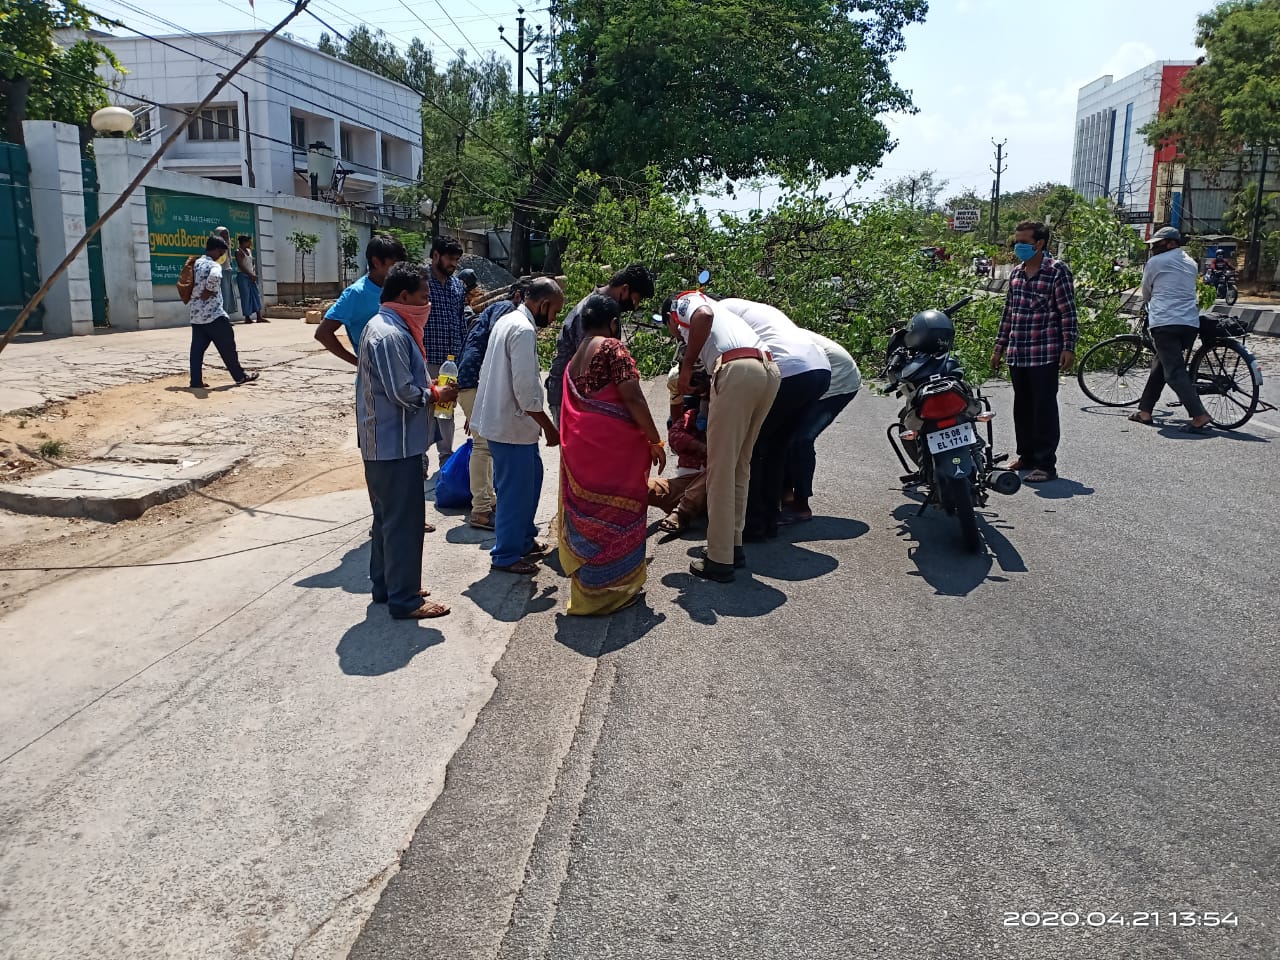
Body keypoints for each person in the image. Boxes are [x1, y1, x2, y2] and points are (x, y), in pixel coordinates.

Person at [355, 262, 457, 619]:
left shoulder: (386, 326)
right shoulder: (391, 334)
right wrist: (436, 392)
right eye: (424, 297)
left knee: (386, 520)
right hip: (393, 445)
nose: (428, 304)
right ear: (404, 296)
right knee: (404, 522)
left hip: (387, 443)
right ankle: (405, 598)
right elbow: (403, 393)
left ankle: (387, 585)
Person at [559, 294, 667, 614]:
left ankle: (589, 595)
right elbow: (631, 396)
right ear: (614, 324)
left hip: (583, 458)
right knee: (616, 519)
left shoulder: (575, 357)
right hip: (612, 458)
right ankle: (610, 597)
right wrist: (655, 440)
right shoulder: (611, 347)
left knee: (593, 524)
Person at [665, 289, 780, 582]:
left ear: (671, 318)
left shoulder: (687, 303)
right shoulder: (724, 318)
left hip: (736, 370)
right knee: (740, 466)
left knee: (719, 470)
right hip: (767, 371)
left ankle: (718, 557)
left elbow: (702, 316)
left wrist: (687, 365)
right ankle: (733, 545)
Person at [471, 277, 565, 575]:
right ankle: (506, 555)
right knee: (514, 493)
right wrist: (549, 427)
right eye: (554, 313)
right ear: (544, 304)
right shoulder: (522, 329)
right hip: (511, 426)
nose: (552, 320)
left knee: (531, 481)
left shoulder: (509, 320)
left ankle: (524, 539)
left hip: (507, 424)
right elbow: (526, 391)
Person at [717, 298, 831, 540]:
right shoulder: (753, 309)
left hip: (790, 370)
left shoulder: (719, 312)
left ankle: (753, 524)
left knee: (753, 446)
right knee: (776, 447)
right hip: (820, 370)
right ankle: (770, 518)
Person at [990, 220, 1078, 484]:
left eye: (1024, 243)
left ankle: (1046, 464)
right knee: (1023, 407)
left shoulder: (1057, 272)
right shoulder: (1017, 274)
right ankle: (1026, 456)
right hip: (1018, 352)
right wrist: (999, 347)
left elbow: (1068, 312)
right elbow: (1009, 313)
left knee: (1044, 408)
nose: (1019, 247)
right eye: (1017, 242)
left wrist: (1068, 347)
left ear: (1039, 243)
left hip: (1045, 352)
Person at [457, 279, 529, 531]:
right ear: (520, 295)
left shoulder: (497, 310)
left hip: (473, 381)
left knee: (485, 443)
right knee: (484, 445)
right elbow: (500, 352)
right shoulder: (508, 310)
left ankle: (488, 502)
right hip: (476, 381)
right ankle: (481, 509)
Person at [546, 264, 655, 426]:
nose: (636, 306)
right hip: (571, 397)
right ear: (624, 289)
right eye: (636, 299)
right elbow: (589, 369)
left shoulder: (606, 309)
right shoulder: (590, 311)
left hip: (584, 397)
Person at [1130, 226, 1213, 433]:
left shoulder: (1156, 262)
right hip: (1189, 324)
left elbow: (1147, 290)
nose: (1154, 248)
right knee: (1162, 364)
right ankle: (1145, 411)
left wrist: (1148, 304)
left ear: (1172, 243)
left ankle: (1199, 415)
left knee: (1174, 371)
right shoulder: (1191, 262)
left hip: (1165, 322)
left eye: (1158, 244)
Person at [781, 330, 861, 523]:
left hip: (838, 379)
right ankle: (785, 497)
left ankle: (801, 506)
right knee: (783, 434)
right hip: (813, 372)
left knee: (801, 439)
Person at [316, 235, 407, 366]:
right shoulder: (356, 293)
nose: (400, 269)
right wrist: (359, 364)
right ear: (376, 262)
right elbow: (323, 333)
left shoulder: (400, 288)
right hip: (375, 379)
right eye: (394, 264)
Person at [423, 236, 469, 474]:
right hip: (427, 358)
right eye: (450, 259)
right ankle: (420, 461)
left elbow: (461, 322)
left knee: (445, 411)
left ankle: (445, 459)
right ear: (435, 256)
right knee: (424, 412)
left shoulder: (456, 286)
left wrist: (463, 355)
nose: (453, 264)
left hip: (451, 362)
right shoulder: (421, 283)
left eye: (456, 260)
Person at [188, 234, 258, 388]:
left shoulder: (196, 263)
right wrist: (209, 289)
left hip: (197, 316)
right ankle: (239, 376)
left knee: (197, 350)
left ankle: (195, 381)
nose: (221, 256)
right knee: (228, 347)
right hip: (214, 315)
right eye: (221, 253)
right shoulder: (214, 266)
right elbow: (215, 275)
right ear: (216, 250)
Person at [649, 394, 708, 533]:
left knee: (717, 470)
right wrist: (700, 447)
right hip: (685, 482)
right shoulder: (692, 416)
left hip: (712, 485)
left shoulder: (730, 420)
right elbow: (674, 436)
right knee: (643, 486)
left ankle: (682, 512)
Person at [235, 235, 266, 324]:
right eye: (249, 242)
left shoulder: (249, 251)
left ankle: (259, 316)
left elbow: (252, 263)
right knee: (246, 296)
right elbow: (241, 265)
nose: (250, 243)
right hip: (243, 276)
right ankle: (247, 317)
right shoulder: (238, 252)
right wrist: (250, 274)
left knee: (255, 294)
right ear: (244, 242)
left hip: (251, 275)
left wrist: (253, 273)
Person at [213, 226, 238, 320]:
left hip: (227, 270)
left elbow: (228, 258)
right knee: (222, 295)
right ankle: (222, 318)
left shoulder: (227, 245)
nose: (226, 236)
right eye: (223, 234)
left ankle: (226, 316)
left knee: (228, 295)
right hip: (219, 272)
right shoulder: (215, 247)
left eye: (227, 234)